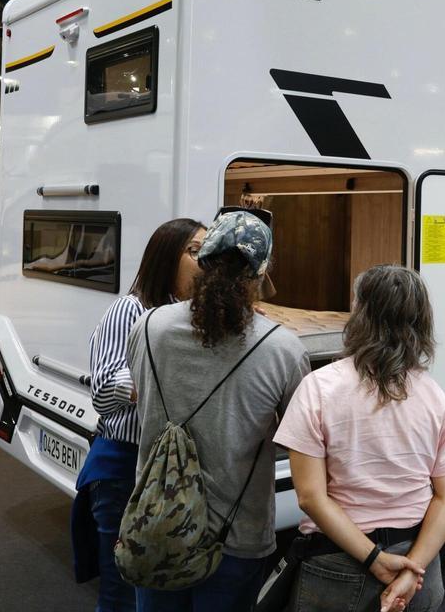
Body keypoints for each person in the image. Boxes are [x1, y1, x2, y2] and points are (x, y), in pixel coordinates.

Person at [127, 210, 311, 611]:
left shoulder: (149, 326)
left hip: (156, 524)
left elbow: (140, 396)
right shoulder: (283, 349)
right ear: (261, 272)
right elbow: (299, 441)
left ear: (204, 261)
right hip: (236, 537)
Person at [276, 265, 445, 612]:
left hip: (339, 564)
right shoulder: (433, 396)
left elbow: (311, 497)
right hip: (418, 566)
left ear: (360, 313)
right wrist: (412, 570)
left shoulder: (319, 389)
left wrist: (375, 560)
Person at [72, 218, 206, 611]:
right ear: (167, 256)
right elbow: (102, 393)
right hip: (122, 467)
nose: (204, 261)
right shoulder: (130, 309)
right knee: (123, 591)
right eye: (194, 251)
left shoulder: (193, 314)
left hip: (169, 470)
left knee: (159, 587)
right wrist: (160, 374)